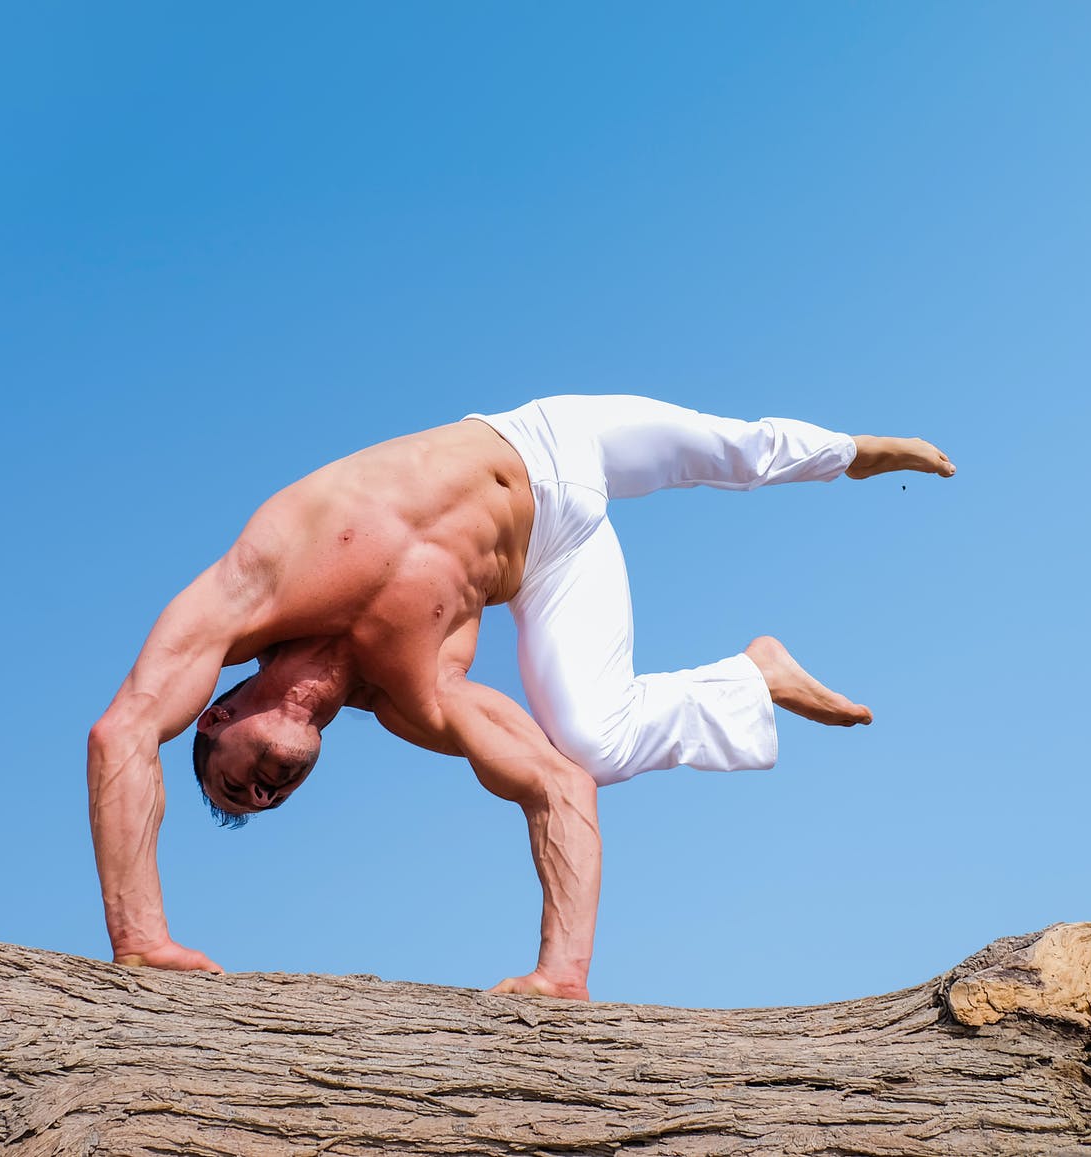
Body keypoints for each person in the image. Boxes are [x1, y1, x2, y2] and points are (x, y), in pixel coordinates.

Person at [86, 395, 954, 998]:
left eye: (235, 781)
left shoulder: (255, 589)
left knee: (732, 448)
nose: (264, 794)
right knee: (593, 747)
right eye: (266, 801)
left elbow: (122, 728)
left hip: (546, 439)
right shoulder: (416, 696)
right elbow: (555, 784)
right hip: (553, 556)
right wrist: (561, 973)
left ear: (216, 714)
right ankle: (751, 677)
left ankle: (858, 453)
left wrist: (138, 940)